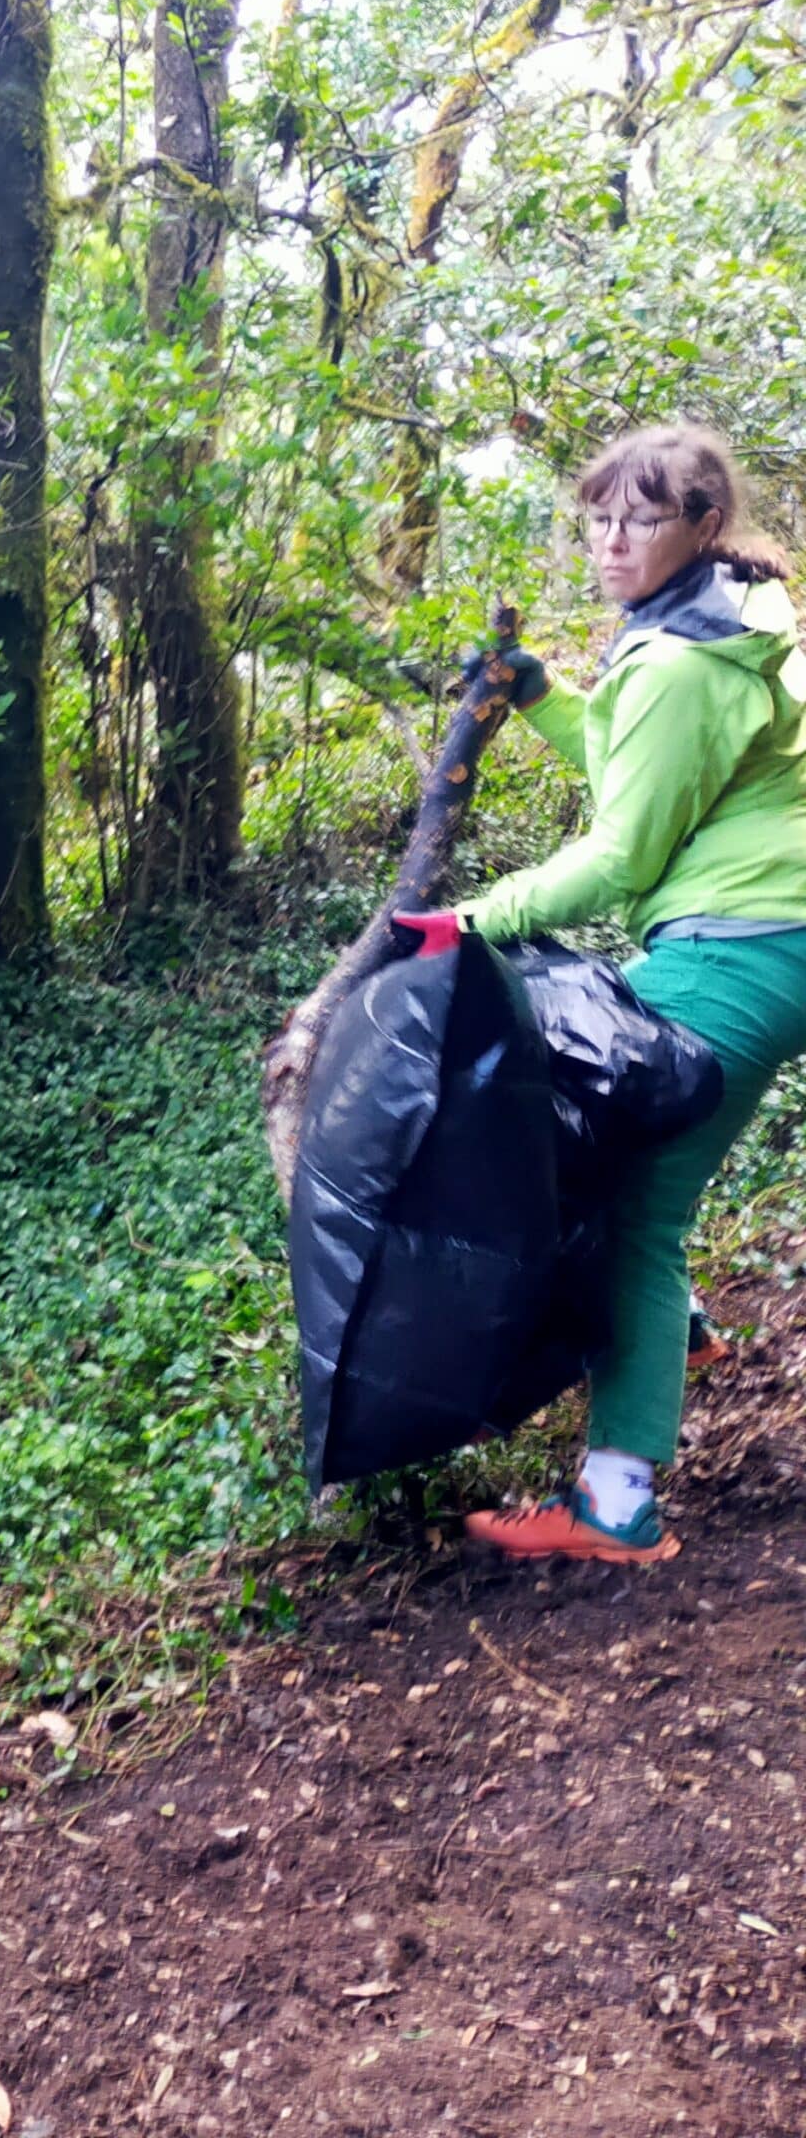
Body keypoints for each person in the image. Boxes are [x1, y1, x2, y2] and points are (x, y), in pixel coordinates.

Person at [396, 419, 806, 1564]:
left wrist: (468, 920)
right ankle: (676, 1337)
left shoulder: (681, 660)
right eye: (597, 515)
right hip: (762, 926)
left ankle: (617, 1506)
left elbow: (622, 853)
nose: (611, 540)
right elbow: (643, 762)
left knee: (633, 1205)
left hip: (743, 941)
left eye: (641, 517)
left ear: (704, 526)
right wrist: (541, 695)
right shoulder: (717, 624)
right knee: (604, 1138)